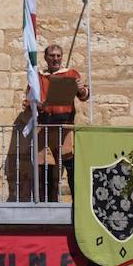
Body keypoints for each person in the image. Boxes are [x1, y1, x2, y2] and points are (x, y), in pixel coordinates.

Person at [31, 43, 90, 202]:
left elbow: (84, 96)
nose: (55, 59)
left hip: (65, 126)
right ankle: (46, 203)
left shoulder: (71, 74)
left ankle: (77, 203)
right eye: (52, 56)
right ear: (46, 58)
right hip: (45, 127)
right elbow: (28, 100)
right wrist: (36, 104)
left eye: (58, 56)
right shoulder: (38, 77)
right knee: (45, 166)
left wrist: (80, 88)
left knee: (70, 163)